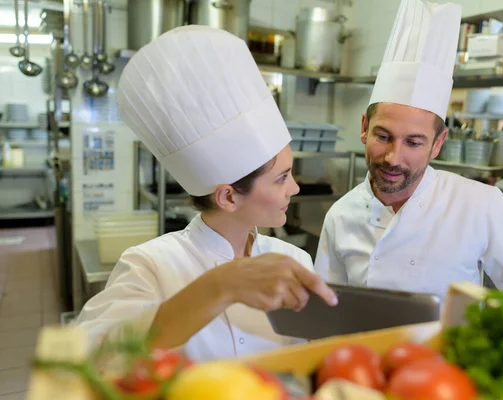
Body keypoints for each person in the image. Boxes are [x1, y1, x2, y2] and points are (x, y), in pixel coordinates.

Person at [314, 0, 503, 320]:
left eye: (414, 142)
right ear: (364, 128)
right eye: (384, 136)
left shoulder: (480, 204)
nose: (394, 157)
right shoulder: (340, 216)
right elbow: (327, 315)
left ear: (438, 143)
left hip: (449, 366)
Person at [76, 25, 337, 362]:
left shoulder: (295, 261)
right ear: (228, 197)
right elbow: (92, 356)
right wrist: (221, 285)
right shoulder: (150, 264)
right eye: (281, 178)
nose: (295, 187)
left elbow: (304, 360)